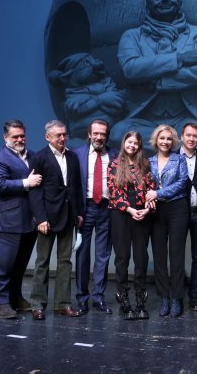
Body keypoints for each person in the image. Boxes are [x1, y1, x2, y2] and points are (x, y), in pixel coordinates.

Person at [110, 0, 197, 144]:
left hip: (190, 119)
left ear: (179, 3)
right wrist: (180, 58)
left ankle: (170, 145)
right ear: (148, 5)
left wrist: (159, 82)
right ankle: (172, 146)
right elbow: (130, 69)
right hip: (145, 121)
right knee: (118, 135)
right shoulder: (132, 36)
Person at [0, 119, 42, 319]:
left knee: (19, 265)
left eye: (22, 136)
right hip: (5, 221)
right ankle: (2, 303)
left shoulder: (33, 155)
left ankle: (15, 297)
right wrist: (27, 182)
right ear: (5, 137)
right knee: (3, 265)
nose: (19, 139)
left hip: (29, 220)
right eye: (15, 136)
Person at [28, 120, 85, 320]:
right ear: (47, 137)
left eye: (64, 134)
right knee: (42, 262)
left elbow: (76, 187)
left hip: (68, 217)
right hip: (47, 219)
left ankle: (62, 304)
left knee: (65, 262)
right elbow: (35, 192)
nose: (62, 138)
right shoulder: (39, 158)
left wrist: (79, 213)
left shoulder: (72, 156)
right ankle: (38, 305)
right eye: (58, 135)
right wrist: (40, 218)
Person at [107, 131, 156, 320]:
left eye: (135, 143)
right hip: (121, 215)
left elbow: (151, 190)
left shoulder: (146, 165)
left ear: (139, 146)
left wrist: (147, 209)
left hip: (142, 215)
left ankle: (140, 300)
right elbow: (113, 192)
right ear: (124, 143)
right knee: (122, 257)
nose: (132, 146)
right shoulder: (114, 164)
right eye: (129, 142)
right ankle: (124, 299)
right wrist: (130, 209)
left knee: (141, 258)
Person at [73, 119, 120, 314]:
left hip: (107, 208)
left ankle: (98, 297)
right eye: (96, 133)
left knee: (103, 255)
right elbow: (72, 185)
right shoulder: (77, 154)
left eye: (103, 134)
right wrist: (76, 211)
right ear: (89, 134)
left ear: (107, 136)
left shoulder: (116, 154)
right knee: (82, 254)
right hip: (85, 209)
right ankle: (82, 298)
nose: (99, 137)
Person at [146, 125, 190, 317]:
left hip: (177, 208)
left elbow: (182, 183)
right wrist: (150, 196)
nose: (165, 141)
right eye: (162, 138)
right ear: (156, 140)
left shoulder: (179, 159)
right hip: (156, 211)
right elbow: (145, 185)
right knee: (159, 256)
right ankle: (164, 297)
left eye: (169, 138)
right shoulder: (148, 162)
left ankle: (177, 298)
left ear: (173, 141)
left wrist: (158, 193)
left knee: (176, 256)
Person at [179, 122, 197, 311]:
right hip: (178, 214)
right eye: (188, 135)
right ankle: (177, 296)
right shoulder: (172, 157)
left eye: (195, 136)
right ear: (182, 137)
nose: (191, 139)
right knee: (177, 256)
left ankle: (194, 297)